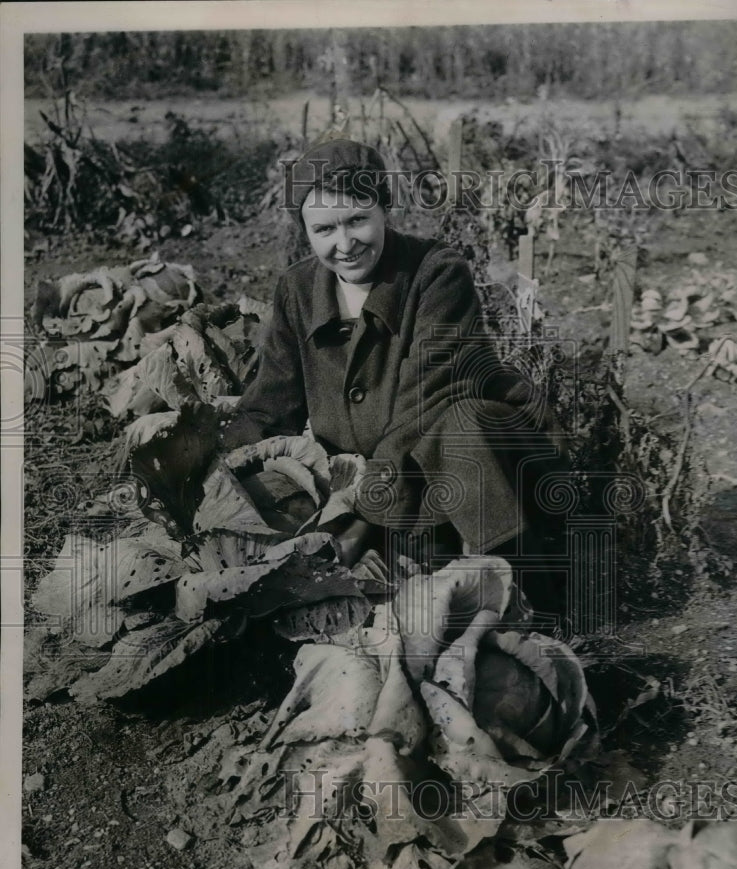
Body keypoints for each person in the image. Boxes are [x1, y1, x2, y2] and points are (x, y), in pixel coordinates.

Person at [222, 138, 569, 620]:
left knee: (463, 429)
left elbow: (426, 401)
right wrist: (221, 478)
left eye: (357, 220)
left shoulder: (437, 273)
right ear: (304, 230)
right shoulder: (298, 291)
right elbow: (269, 405)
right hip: (382, 488)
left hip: (474, 468)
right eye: (324, 229)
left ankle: (541, 602)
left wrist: (359, 515)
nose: (344, 245)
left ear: (384, 207)